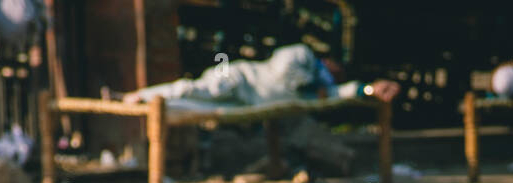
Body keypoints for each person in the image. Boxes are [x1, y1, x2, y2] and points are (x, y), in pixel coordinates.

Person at [119, 42, 399, 108]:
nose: (339, 74)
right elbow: (282, 70)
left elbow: (347, 91)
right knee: (194, 90)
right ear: (329, 60)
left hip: (248, 101)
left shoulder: (323, 88)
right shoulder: (303, 56)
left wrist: (371, 90)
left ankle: (142, 102)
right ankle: (135, 96)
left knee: (190, 106)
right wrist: (312, 83)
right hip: (240, 78)